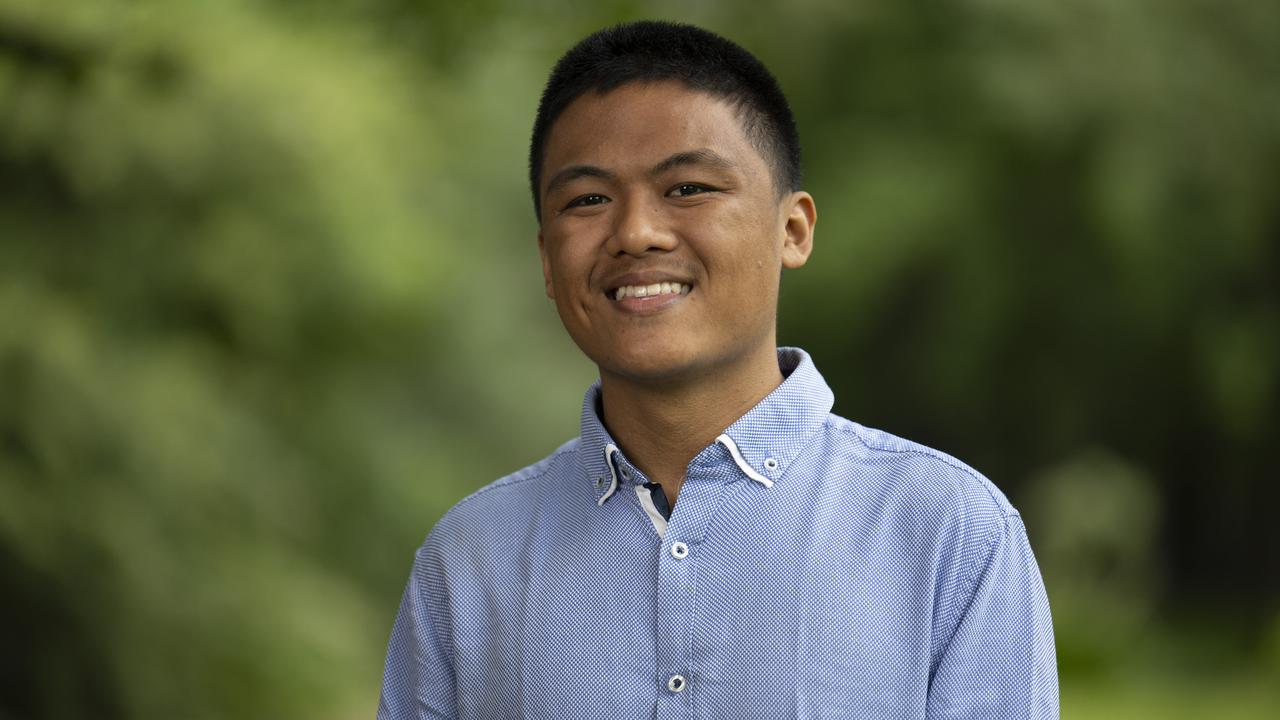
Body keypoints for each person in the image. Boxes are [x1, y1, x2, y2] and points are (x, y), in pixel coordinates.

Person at [378, 20, 1057, 719]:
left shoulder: (949, 533)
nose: (637, 232)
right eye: (587, 200)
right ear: (549, 261)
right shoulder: (468, 561)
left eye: (689, 188)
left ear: (792, 230)